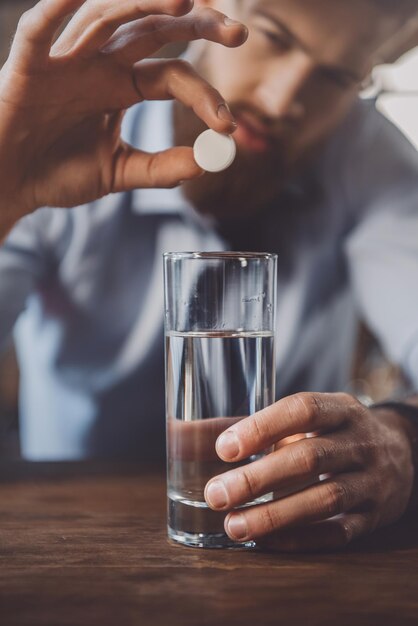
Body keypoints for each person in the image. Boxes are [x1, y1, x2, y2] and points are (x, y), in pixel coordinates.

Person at [0, 0, 418, 552]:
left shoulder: (369, 158)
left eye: (338, 77)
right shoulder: (64, 135)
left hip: (285, 549)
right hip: (61, 536)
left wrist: (404, 438)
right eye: (272, 36)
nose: (281, 100)